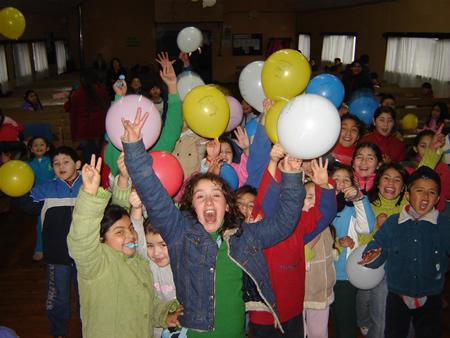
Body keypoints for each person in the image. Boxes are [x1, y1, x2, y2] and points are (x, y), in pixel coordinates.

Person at [122, 110, 305, 336]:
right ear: (193, 206)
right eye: (200, 196)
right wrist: (133, 148)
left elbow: (285, 223)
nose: (208, 200)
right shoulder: (179, 232)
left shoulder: (243, 236)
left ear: (227, 205)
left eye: (216, 195)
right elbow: (153, 193)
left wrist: (292, 176)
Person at [67, 155, 182, 337]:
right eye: (120, 232)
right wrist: (89, 195)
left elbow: (148, 305)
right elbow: (81, 241)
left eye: (130, 228)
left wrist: (165, 314)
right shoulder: (97, 264)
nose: (130, 234)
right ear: (100, 239)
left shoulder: (139, 263)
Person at [248, 145, 336, 338]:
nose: (292, 201)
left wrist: (323, 185)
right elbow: (267, 201)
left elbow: (325, 213)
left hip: (293, 310)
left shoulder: (299, 224)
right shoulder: (260, 221)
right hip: (264, 311)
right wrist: (277, 165)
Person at [360, 166, 450, 338]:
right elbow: (378, 245)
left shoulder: (443, 224)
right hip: (397, 295)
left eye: (432, 192)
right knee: (395, 333)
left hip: (431, 294)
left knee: (429, 332)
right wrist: (373, 255)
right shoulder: (393, 223)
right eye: (419, 190)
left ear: (438, 198)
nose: (425, 196)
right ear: (408, 195)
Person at [19, 146, 82, 338]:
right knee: (58, 299)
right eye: (56, 163)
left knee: (87, 298)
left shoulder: (89, 186)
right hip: (57, 257)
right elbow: (27, 206)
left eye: (66, 162)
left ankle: (90, 329)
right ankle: (59, 333)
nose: (61, 166)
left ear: (77, 164)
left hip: (86, 256)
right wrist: (20, 188)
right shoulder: (46, 189)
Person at [102, 52, 183, 188]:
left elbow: (173, 126)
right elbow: (114, 124)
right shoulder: (114, 151)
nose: (134, 126)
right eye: (130, 123)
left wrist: (173, 87)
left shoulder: (157, 148)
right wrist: (119, 98)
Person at [356, 163, 409, 338]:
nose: (391, 183)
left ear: (403, 188)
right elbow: (362, 241)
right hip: (369, 266)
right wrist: (379, 230)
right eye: (386, 178)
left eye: (397, 180)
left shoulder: (407, 208)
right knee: (363, 300)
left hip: (393, 270)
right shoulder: (367, 205)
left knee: (381, 317)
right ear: (378, 183)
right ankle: (363, 323)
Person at [330, 163, 375, 338]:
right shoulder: (321, 205)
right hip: (324, 272)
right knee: (334, 317)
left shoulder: (352, 208)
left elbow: (366, 227)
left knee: (346, 318)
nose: (340, 184)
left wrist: (358, 198)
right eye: (336, 179)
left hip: (344, 274)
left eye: (345, 180)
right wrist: (337, 242)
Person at [67, 69, 110, 164]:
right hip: (98, 127)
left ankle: (88, 175)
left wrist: (73, 134)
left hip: (83, 129)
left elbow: (73, 115)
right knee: (97, 154)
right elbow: (107, 108)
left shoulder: (77, 93)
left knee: (87, 156)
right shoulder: (101, 90)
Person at [404, 129, 450, 212]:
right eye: (423, 146)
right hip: (413, 213)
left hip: (439, 213)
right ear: (415, 148)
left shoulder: (444, 168)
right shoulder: (408, 169)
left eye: (431, 146)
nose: (427, 150)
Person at [27, 136, 54, 261]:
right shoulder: (28, 165)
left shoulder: (53, 161)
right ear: (31, 149)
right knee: (40, 223)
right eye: (35, 145)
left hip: (54, 195)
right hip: (39, 197)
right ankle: (39, 248)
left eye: (42, 145)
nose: (39, 147)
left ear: (47, 148)